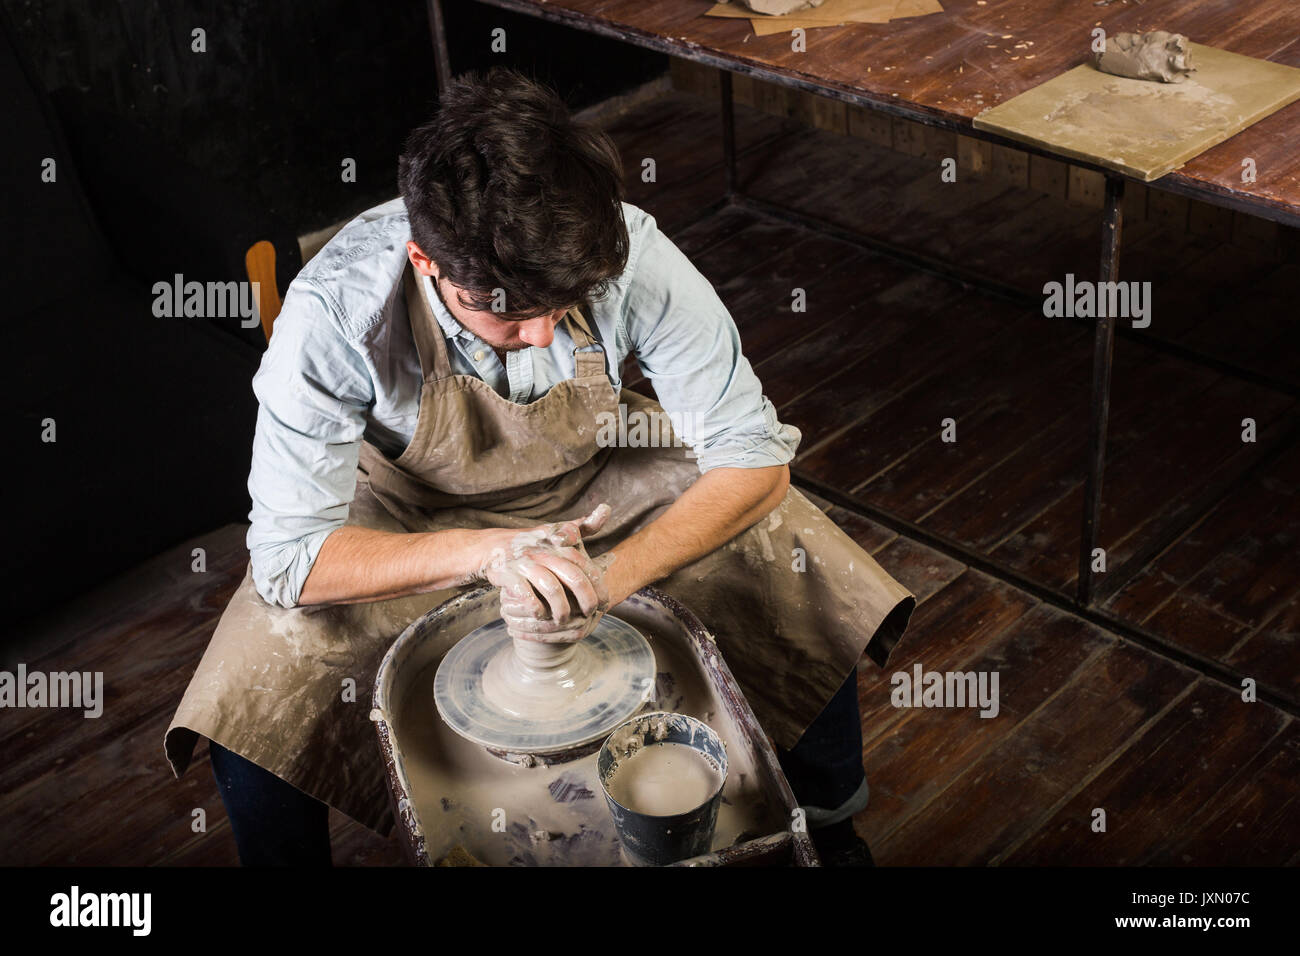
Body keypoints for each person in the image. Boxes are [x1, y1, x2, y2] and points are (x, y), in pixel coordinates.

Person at [167, 68, 915, 867]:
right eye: (510, 316)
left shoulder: (628, 249)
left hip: (600, 474)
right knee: (250, 686)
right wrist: (490, 552)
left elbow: (754, 457)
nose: (543, 335)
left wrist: (613, 575)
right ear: (425, 261)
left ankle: (832, 828)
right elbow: (289, 556)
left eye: (563, 307)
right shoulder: (332, 314)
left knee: (788, 553)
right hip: (409, 507)